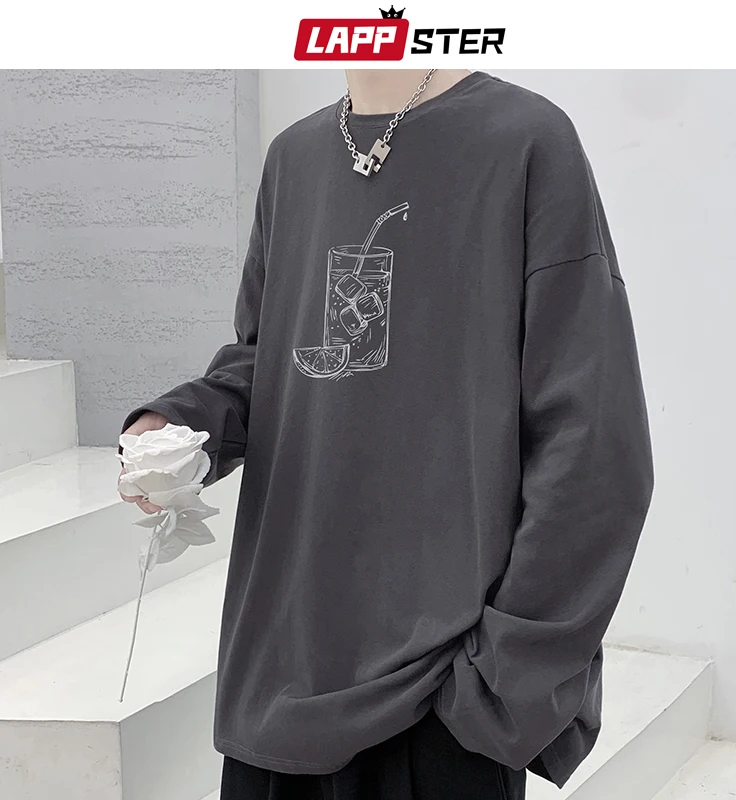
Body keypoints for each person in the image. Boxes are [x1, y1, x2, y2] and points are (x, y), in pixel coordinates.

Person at [120, 69, 654, 800]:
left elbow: (594, 445)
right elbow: (270, 360)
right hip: (277, 678)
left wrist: (503, 679)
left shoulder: (526, 141)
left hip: (436, 699)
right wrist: (183, 421)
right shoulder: (294, 159)